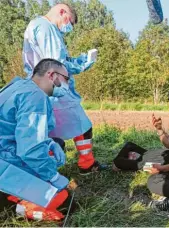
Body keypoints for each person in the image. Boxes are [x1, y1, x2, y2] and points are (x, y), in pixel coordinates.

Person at [22, 3, 106, 175]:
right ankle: (86, 164)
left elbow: (55, 59)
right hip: (55, 88)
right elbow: (55, 63)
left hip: (40, 87)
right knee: (82, 125)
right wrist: (81, 66)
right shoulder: (47, 27)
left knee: (47, 132)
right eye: (69, 21)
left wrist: (76, 60)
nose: (69, 27)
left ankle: (46, 170)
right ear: (62, 12)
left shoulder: (36, 25)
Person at [0, 59, 75, 221]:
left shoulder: (19, 86)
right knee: (65, 203)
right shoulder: (35, 97)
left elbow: (17, 128)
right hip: (5, 162)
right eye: (66, 79)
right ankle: (13, 206)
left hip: (6, 149)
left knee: (58, 143)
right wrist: (53, 176)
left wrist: (50, 143)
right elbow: (29, 149)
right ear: (52, 75)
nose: (67, 84)